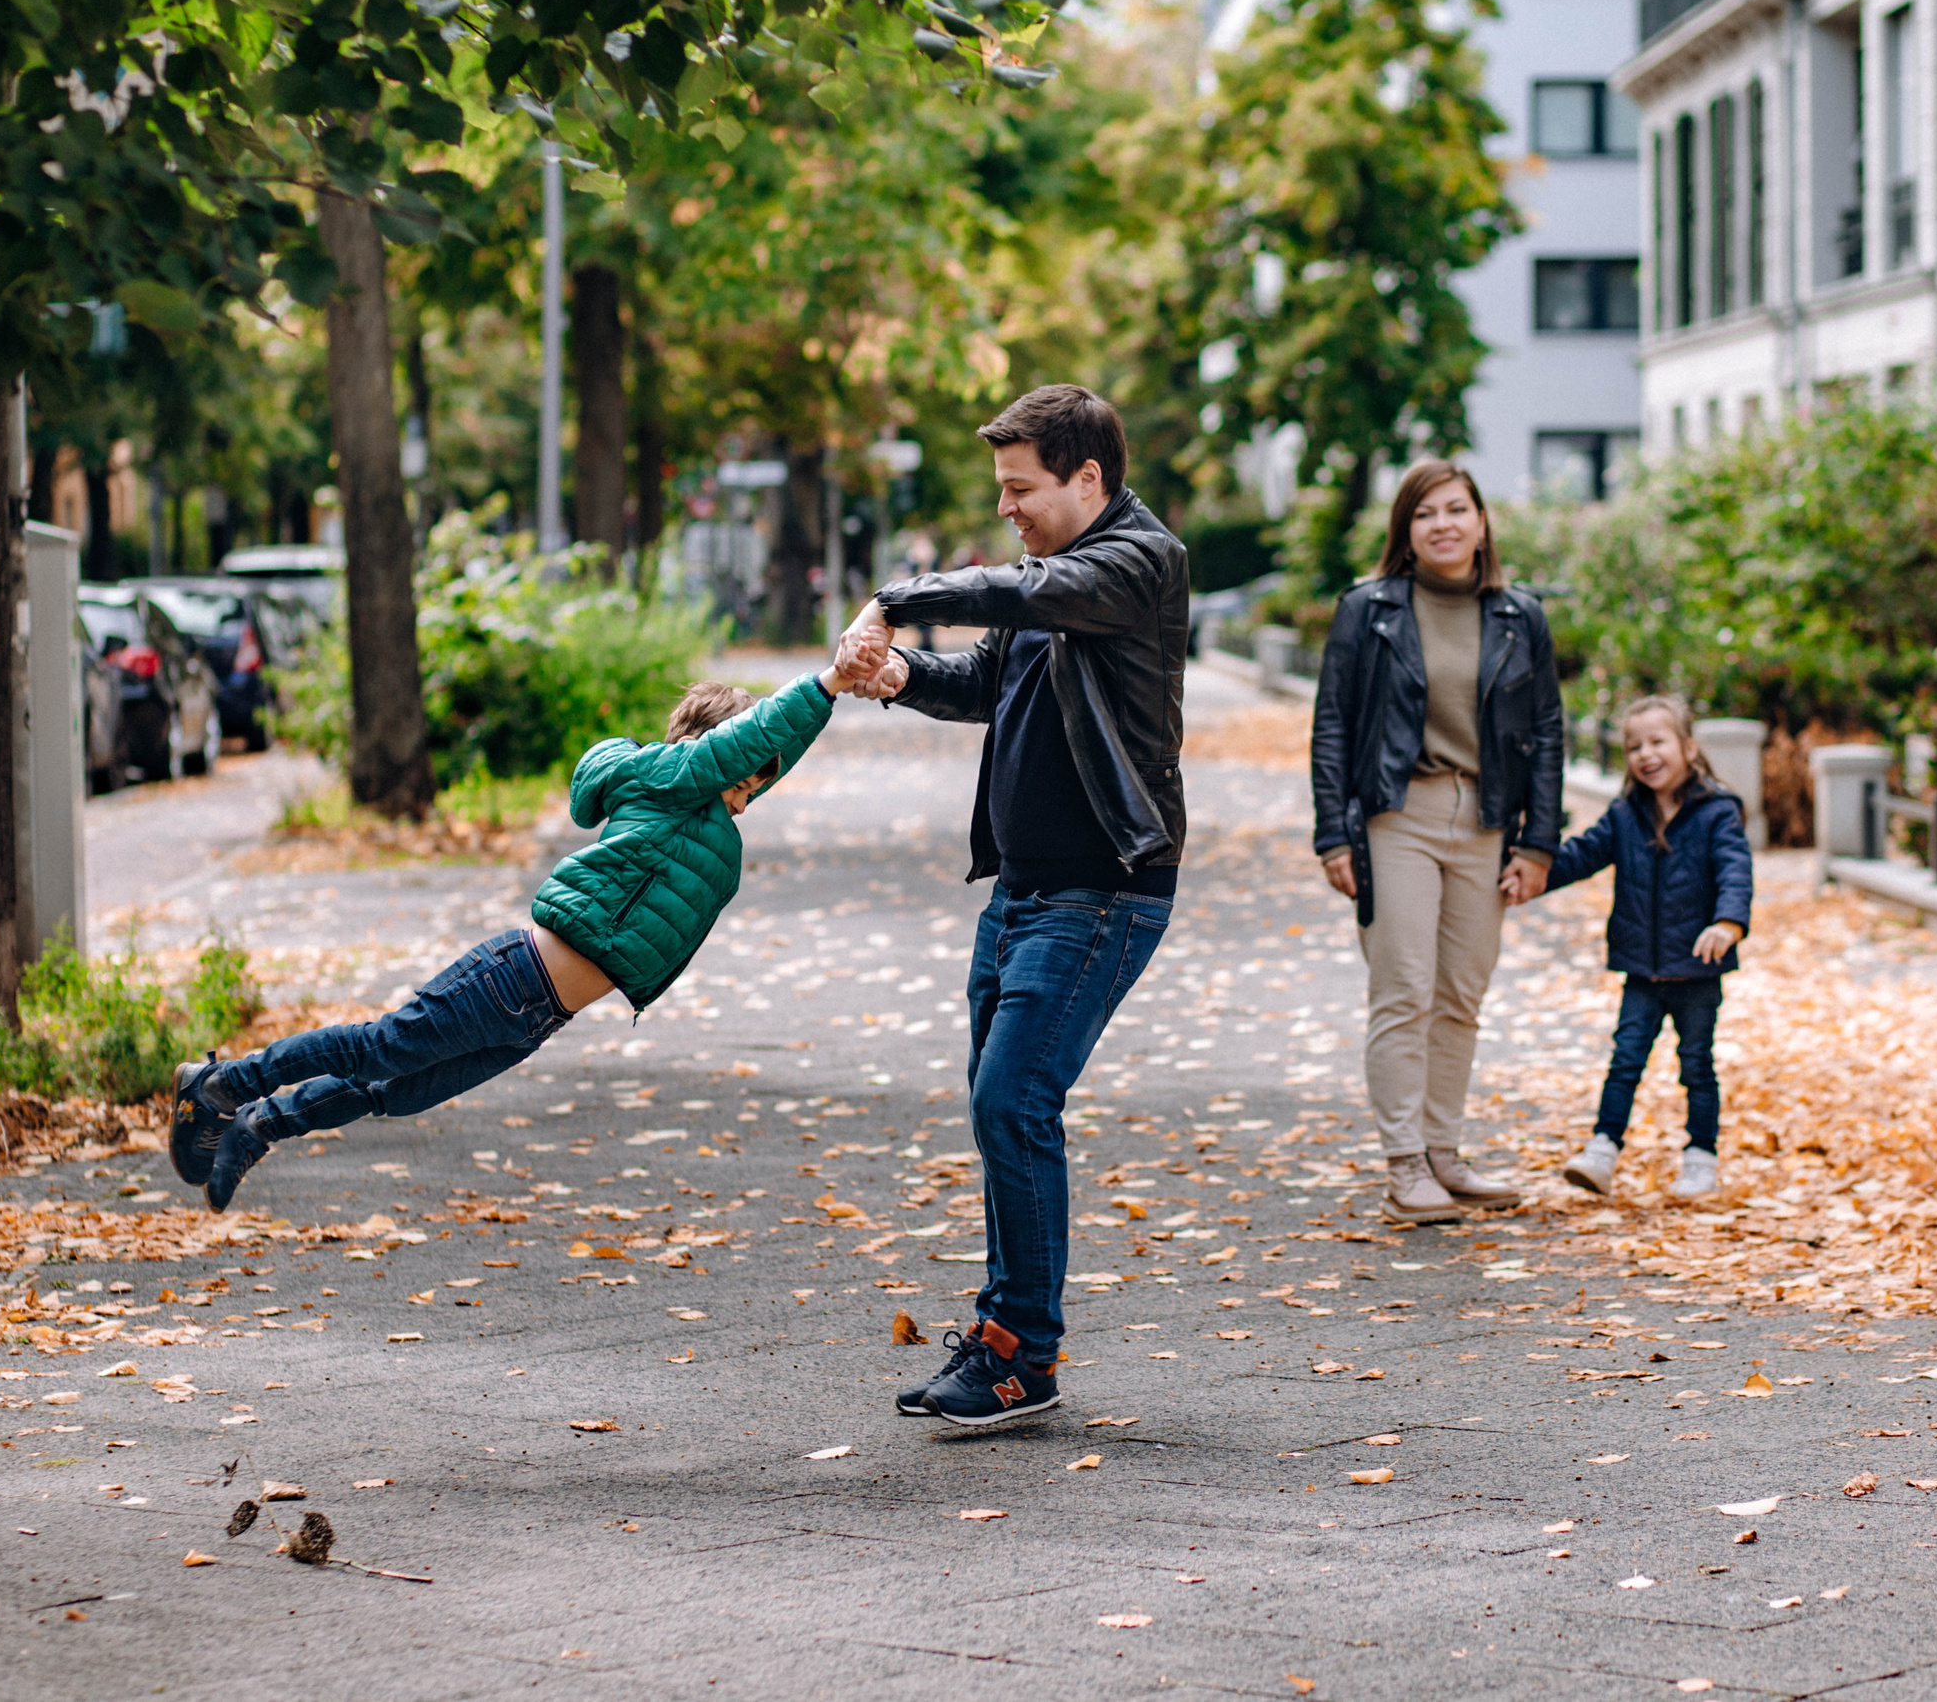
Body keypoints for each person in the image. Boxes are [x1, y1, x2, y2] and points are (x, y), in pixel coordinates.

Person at [166, 656, 892, 1211]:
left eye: (755, 786)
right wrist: (825, 682)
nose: (747, 793)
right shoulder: (672, 778)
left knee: (398, 1090)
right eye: (741, 776)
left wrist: (835, 697)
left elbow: (770, 750)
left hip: (540, 1015)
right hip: (514, 974)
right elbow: (759, 736)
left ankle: (256, 1126)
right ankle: (225, 1084)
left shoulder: (704, 810)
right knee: (382, 1045)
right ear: (712, 749)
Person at [833, 384, 1187, 1427]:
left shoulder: (1137, 562)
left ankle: (1021, 1352)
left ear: (1087, 479)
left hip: (1102, 891)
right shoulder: (1049, 584)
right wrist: (895, 673)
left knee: (1010, 1104)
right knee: (1002, 1112)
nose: (1005, 509)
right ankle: (1002, 1340)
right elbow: (989, 679)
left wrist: (894, 598)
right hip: (1024, 891)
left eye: (1018, 488)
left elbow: (1015, 597)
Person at [1309, 460, 1563, 1223]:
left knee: (1460, 994)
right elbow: (1333, 725)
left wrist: (1540, 843)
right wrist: (1332, 835)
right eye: (1426, 513)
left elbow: (1548, 731)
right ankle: (1404, 1161)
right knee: (1405, 988)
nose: (1444, 523)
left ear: (1482, 522)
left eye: (1458, 509)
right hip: (1398, 815)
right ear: (1406, 531)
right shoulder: (1370, 609)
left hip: (1485, 821)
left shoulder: (1522, 615)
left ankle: (1443, 1151)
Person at [1544, 694, 1754, 1202]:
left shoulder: (1716, 811)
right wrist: (1530, 872)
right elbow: (1580, 856)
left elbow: (1735, 869)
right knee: (1625, 1060)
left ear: (1687, 746)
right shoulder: (1624, 814)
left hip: (1698, 969)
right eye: (1634, 745)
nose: (1645, 753)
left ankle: (1701, 1160)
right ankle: (1601, 1151)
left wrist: (1729, 923)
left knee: (1697, 1066)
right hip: (1642, 969)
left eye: (1657, 741)